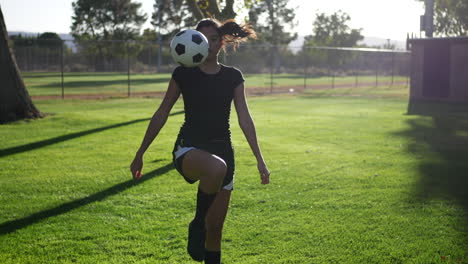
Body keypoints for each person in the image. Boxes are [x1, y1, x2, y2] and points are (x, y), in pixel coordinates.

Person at [130, 18, 270, 264]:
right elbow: (161, 113)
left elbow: (245, 119)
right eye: (203, 40)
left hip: (224, 150)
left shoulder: (233, 76)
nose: (209, 45)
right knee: (216, 169)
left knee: (214, 230)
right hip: (189, 148)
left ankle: (203, 230)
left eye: (213, 39)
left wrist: (260, 159)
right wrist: (141, 152)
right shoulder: (183, 73)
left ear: (221, 41)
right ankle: (197, 224)